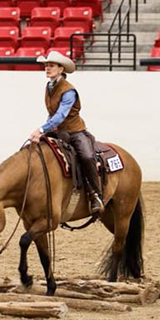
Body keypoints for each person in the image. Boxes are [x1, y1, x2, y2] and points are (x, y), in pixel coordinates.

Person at [28, 51, 104, 215]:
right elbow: (53, 114)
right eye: (46, 65)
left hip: (75, 131)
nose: (47, 68)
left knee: (87, 156)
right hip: (58, 131)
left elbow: (61, 115)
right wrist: (45, 129)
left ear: (61, 69)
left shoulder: (68, 91)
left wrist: (41, 129)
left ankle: (96, 194)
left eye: (51, 65)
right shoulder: (49, 87)